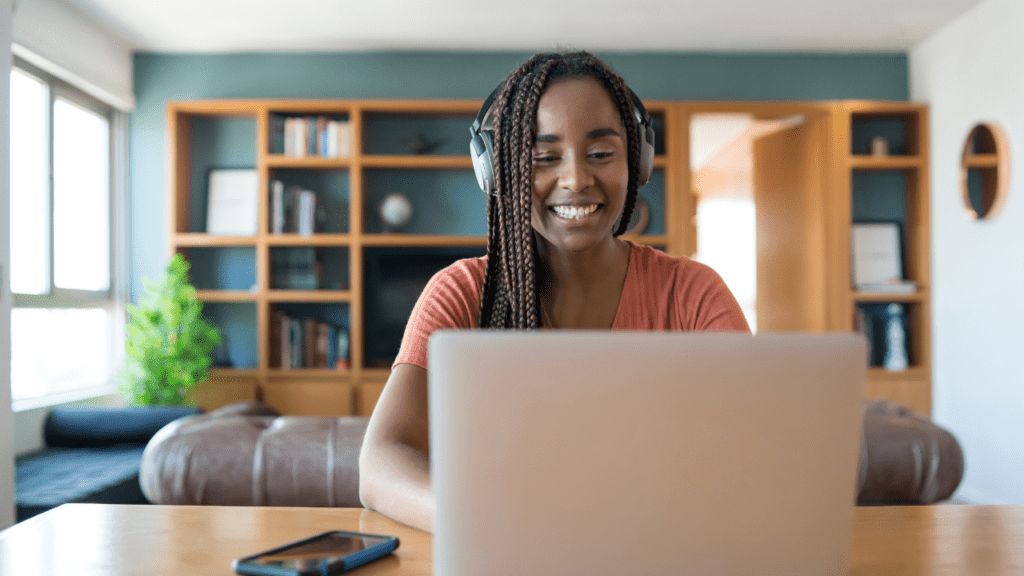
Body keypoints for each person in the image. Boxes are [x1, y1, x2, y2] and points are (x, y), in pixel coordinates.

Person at [358, 51, 750, 532]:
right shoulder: (460, 292)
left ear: (638, 163)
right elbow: (381, 462)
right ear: (499, 173)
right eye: (543, 157)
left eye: (601, 154)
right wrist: (485, 520)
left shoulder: (692, 293)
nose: (576, 180)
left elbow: (751, 450)